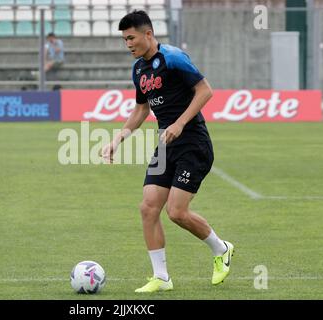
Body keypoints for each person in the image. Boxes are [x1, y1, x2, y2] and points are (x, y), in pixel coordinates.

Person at [102, 10, 234, 293]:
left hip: (193, 143)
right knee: (148, 207)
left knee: (176, 212)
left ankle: (221, 249)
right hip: (166, 145)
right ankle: (161, 277)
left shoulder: (173, 58)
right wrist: (118, 139)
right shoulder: (139, 69)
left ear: (148, 34)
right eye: (124, 39)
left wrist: (180, 122)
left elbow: (205, 90)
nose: (128, 44)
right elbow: (141, 109)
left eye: (131, 38)